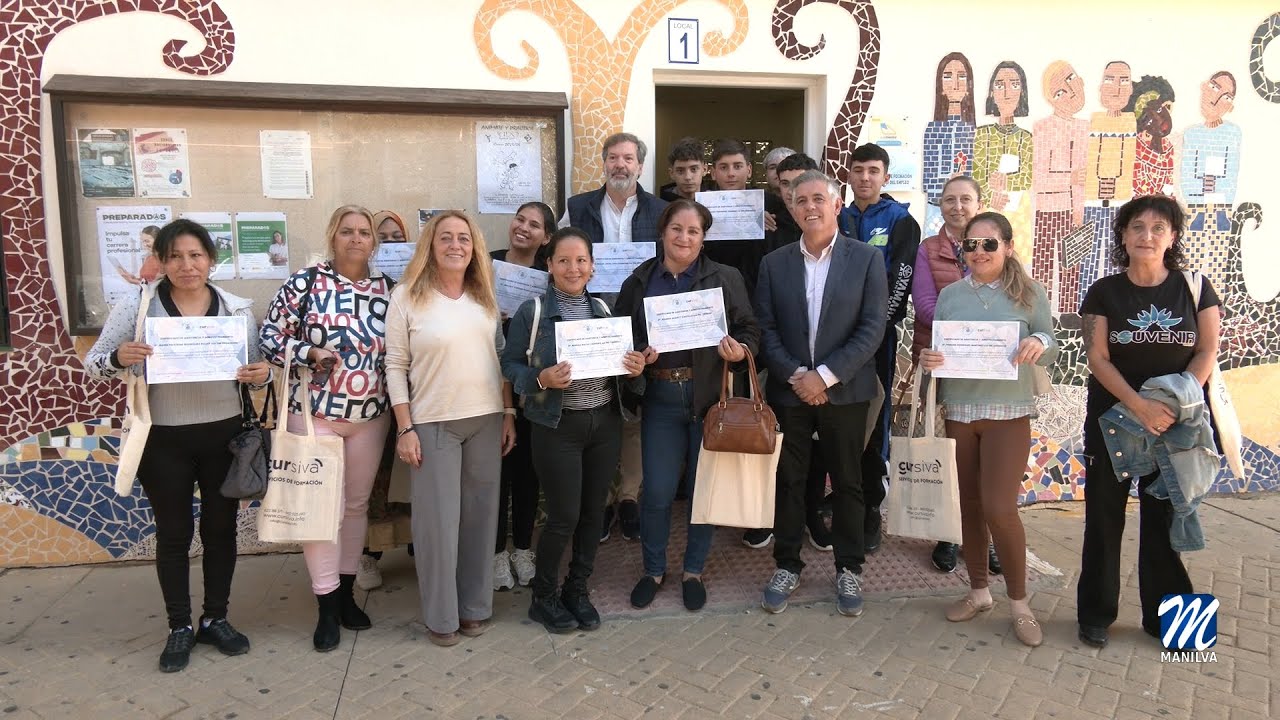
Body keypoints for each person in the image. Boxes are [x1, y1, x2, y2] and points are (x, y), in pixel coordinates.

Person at [87, 218, 272, 672]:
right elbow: (94, 363)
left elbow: (253, 365)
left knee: (220, 532)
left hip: (223, 436)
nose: (187, 265)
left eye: (196, 255)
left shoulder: (235, 309)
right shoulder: (137, 306)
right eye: (175, 256)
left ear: (211, 259)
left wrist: (262, 373)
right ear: (162, 261)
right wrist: (118, 357)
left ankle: (216, 618)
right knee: (173, 535)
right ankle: (178, 627)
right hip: (163, 439)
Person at [1076, 194, 1222, 648]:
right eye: (1137, 227)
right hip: (1114, 422)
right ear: (1123, 234)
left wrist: (1176, 404)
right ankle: (1095, 616)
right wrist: (1140, 406)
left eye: (1159, 228)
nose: (1147, 235)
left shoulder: (1195, 287)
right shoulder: (1104, 290)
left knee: (1166, 519)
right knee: (1103, 519)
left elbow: (1207, 351)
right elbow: (1097, 358)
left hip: (1175, 425)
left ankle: (1175, 627)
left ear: (1173, 236)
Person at [259, 205, 395, 653]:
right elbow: (269, 337)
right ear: (332, 235)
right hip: (314, 411)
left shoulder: (388, 289)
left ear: (373, 242)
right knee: (321, 511)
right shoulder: (306, 282)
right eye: (347, 231)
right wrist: (308, 353)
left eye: (364, 232)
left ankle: (348, 594)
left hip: (371, 415)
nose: (356, 239)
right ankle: (326, 606)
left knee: (355, 507)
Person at [919, 211, 1057, 648]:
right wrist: (930, 361)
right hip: (959, 411)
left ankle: (1019, 602)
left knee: (1000, 507)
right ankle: (979, 592)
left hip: (1008, 412)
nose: (978, 252)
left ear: (1008, 247)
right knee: (969, 508)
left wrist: (1039, 343)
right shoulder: (952, 295)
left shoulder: (1029, 292)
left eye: (989, 244)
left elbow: (1050, 343)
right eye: (971, 245)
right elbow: (938, 349)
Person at [614, 199, 760, 611]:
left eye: (693, 231)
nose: (684, 238)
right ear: (663, 232)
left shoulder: (725, 278)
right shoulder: (639, 281)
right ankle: (653, 570)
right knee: (658, 492)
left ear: (703, 238)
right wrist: (638, 355)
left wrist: (739, 350)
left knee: (703, 491)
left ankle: (693, 570)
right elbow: (622, 338)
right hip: (660, 397)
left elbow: (751, 328)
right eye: (677, 229)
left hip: (709, 398)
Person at [500, 228, 647, 633]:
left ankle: (576, 590)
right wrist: (542, 378)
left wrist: (635, 370)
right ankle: (543, 597)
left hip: (604, 423)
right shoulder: (532, 312)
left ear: (592, 266)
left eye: (581, 260)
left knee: (592, 512)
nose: (573, 268)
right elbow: (510, 366)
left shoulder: (602, 309)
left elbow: (623, 376)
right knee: (564, 515)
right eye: (563, 260)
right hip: (556, 427)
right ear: (549, 265)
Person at [755, 169, 887, 617]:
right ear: (790, 209)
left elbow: (873, 327)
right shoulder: (774, 263)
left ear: (836, 204)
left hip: (846, 391)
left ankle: (849, 568)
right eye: (800, 201)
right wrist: (797, 374)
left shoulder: (866, 259)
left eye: (818, 198)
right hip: (790, 392)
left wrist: (826, 376)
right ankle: (787, 565)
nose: (809, 207)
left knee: (848, 482)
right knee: (790, 481)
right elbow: (766, 328)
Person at [385, 210, 517, 647]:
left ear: (474, 246)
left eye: (464, 237)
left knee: (480, 520)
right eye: (446, 237)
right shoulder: (406, 296)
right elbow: (395, 366)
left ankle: (474, 608)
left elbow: (499, 360)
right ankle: (441, 617)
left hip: (485, 419)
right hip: (433, 421)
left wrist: (508, 413)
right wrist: (405, 429)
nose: (455, 245)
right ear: (431, 245)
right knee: (437, 525)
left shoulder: (484, 297)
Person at [563, 132, 668, 542]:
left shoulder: (661, 209)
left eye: (628, 158)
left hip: (641, 321)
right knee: (597, 411)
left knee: (634, 413)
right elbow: (558, 250)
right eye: (612, 158)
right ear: (603, 163)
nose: (620, 165)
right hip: (590, 320)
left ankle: (628, 497)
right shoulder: (578, 207)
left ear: (640, 166)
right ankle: (602, 500)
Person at [836, 143, 921, 555]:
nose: (865, 177)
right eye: (858, 170)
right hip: (832, 340)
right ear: (848, 176)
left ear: (885, 177)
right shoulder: (838, 215)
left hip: (878, 341)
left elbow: (901, 279)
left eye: (873, 170)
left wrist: (876, 331)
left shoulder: (902, 221)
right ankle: (839, 495)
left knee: (874, 419)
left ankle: (871, 505)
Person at [911, 176, 984, 574]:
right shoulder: (928, 250)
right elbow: (924, 306)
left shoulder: (997, 243)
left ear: (979, 203)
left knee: (983, 458)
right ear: (939, 204)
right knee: (946, 452)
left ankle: (981, 537)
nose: (957, 206)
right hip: (938, 365)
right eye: (949, 199)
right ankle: (948, 535)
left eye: (966, 199)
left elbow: (1013, 298)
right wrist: (977, 326)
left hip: (988, 370)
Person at [491, 201, 557, 591]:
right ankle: (497, 552)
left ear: (546, 238)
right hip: (490, 382)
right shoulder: (485, 264)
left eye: (535, 225)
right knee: (498, 469)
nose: (524, 228)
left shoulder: (549, 276)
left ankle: (523, 549)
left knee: (528, 472)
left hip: (533, 384)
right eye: (520, 219)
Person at [357, 209, 415, 592]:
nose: (391, 242)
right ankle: (368, 555)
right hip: (369, 397)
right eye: (384, 237)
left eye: (398, 236)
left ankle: (414, 546)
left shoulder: (416, 283)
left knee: (409, 475)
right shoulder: (363, 285)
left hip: (411, 395)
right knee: (373, 480)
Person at [699, 137, 782, 295]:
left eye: (737, 166)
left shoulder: (772, 205)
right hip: (715, 288)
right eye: (724, 167)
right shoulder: (702, 207)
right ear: (713, 173)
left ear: (749, 170)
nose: (731, 174)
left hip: (761, 289)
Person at [660, 136, 709, 202]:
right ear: (671, 173)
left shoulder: (716, 204)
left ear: (704, 170)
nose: (688, 177)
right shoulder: (660, 207)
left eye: (694, 169)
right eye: (680, 171)